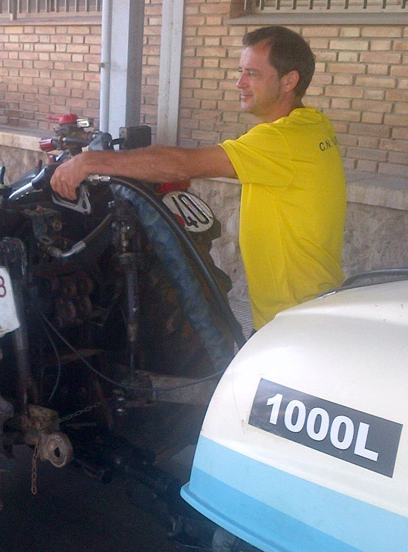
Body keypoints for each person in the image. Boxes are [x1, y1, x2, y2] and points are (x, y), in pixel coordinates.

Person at [50, 25, 347, 330]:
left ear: (289, 81)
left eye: (253, 74)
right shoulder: (312, 125)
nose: (239, 83)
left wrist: (89, 161)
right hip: (311, 307)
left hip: (295, 321)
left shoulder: (282, 140)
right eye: (240, 71)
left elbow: (180, 164)